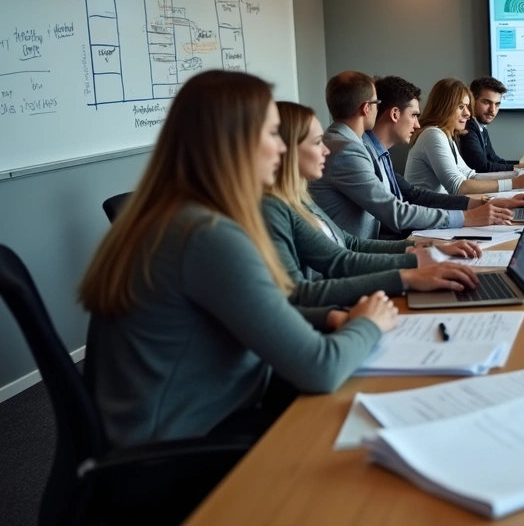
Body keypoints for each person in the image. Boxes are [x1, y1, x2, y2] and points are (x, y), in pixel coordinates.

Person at [78, 70, 399, 448]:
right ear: (235, 142)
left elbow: (250, 310)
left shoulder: (172, 216)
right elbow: (321, 368)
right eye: (272, 133)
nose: (282, 149)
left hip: (186, 419)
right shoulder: (206, 235)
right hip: (175, 452)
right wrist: (370, 323)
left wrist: (328, 317)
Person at [263, 101, 481, 308]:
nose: (325, 150)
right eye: (317, 142)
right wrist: (407, 272)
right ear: (287, 149)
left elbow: (350, 244)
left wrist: (419, 250)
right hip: (339, 299)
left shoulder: (300, 198)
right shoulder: (275, 207)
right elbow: (335, 266)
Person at [310, 71, 521, 239]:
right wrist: (467, 217)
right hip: (360, 255)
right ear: (367, 108)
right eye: (414, 115)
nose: (418, 124)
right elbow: (395, 213)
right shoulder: (349, 150)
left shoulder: (368, 148)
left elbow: (412, 194)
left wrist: (479, 204)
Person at [405, 78, 524, 194]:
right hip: (429, 218)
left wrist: (519, 175)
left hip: (440, 212)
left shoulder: (445, 135)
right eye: (461, 107)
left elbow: (471, 175)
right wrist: (513, 183)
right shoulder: (432, 135)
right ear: (444, 107)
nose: (468, 114)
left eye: (467, 107)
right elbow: (458, 186)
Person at [460, 76, 524, 172]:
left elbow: (495, 160)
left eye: (497, 104)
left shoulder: (481, 127)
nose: (492, 110)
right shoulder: (467, 128)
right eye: (486, 103)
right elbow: (483, 167)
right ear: (472, 101)